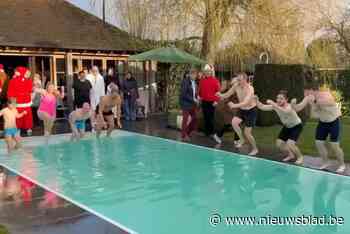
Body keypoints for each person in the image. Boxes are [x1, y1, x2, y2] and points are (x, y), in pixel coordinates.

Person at [295, 86, 346, 173]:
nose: (305, 94)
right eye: (304, 92)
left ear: (312, 90)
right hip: (322, 122)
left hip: (333, 121)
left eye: (306, 92)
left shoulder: (325, 94)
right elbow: (299, 107)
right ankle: (325, 162)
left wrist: (314, 101)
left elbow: (330, 102)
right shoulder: (308, 97)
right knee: (319, 143)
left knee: (334, 145)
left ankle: (342, 164)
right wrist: (293, 105)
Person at [256, 91, 307, 165]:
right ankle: (290, 155)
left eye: (281, 98)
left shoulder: (289, 107)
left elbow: (285, 111)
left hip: (296, 126)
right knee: (279, 144)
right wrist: (256, 100)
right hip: (287, 126)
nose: (278, 100)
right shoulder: (276, 105)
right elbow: (262, 107)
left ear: (286, 100)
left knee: (290, 144)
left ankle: (300, 157)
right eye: (277, 98)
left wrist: (273, 104)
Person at [227, 73, 258, 156]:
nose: (238, 81)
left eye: (239, 80)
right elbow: (228, 94)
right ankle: (241, 139)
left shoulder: (250, 88)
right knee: (234, 122)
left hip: (251, 111)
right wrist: (220, 95)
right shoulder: (236, 86)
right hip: (242, 110)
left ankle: (255, 149)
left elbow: (245, 102)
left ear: (245, 80)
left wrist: (234, 105)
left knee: (247, 133)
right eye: (237, 79)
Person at [198, 64, 221, 144]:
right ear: (205, 72)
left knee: (211, 119)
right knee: (206, 118)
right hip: (204, 101)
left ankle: (214, 134)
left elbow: (218, 92)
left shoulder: (215, 81)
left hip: (212, 102)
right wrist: (199, 97)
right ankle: (207, 133)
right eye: (206, 72)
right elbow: (200, 91)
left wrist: (216, 101)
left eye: (209, 71)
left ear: (211, 72)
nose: (207, 73)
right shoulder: (202, 81)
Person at [7, 67, 33, 136]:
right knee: (22, 115)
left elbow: (10, 91)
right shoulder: (14, 80)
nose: (15, 72)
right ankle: (23, 128)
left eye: (16, 71)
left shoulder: (14, 80)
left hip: (22, 101)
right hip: (20, 101)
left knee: (23, 115)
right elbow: (10, 91)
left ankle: (24, 128)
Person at [216, 77, 240, 144]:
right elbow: (226, 97)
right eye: (236, 81)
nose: (237, 82)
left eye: (237, 81)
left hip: (235, 109)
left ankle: (236, 140)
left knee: (235, 124)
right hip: (230, 110)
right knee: (231, 124)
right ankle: (218, 135)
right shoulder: (232, 90)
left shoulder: (238, 89)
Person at [179, 69, 199, 141]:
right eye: (192, 74)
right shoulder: (185, 82)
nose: (194, 76)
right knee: (185, 119)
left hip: (192, 104)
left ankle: (187, 132)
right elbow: (183, 94)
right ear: (190, 74)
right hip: (185, 104)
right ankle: (183, 136)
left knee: (195, 118)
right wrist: (193, 99)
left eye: (195, 75)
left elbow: (194, 93)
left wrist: (197, 97)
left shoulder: (194, 82)